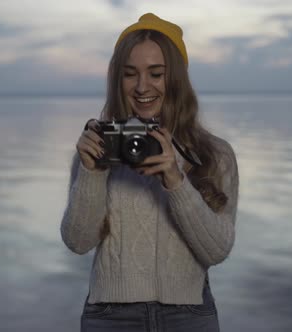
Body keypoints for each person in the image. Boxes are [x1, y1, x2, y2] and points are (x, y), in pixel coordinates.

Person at [60, 13, 239, 332]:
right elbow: (78, 242)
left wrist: (176, 180)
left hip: (189, 314)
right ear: (119, 80)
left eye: (156, 73)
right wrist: (91, 172)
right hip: (110, 315)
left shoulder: (215, 154)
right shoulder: (101, 147)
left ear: (177, 79)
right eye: (130, 74)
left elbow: (216, 250)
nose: (142, 86)